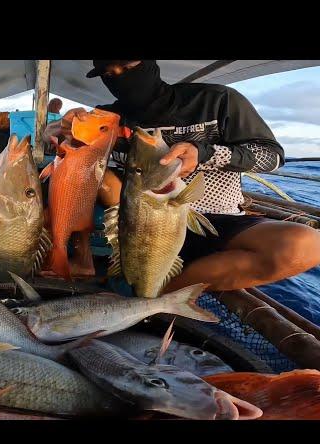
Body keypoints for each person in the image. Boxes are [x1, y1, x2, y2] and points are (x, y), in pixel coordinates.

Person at [44, 60, 320, 293]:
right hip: (136, 223)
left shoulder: (217, 101)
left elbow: (271, 157)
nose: (119, 78)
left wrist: (203, 154)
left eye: (128, 65)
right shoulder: (110, 117)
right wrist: (58, 128)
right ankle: (85, 259)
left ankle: (160, 296)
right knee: (90, 175)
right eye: (109, 75)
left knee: (304, 246)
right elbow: (58, 144)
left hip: (212, 220)